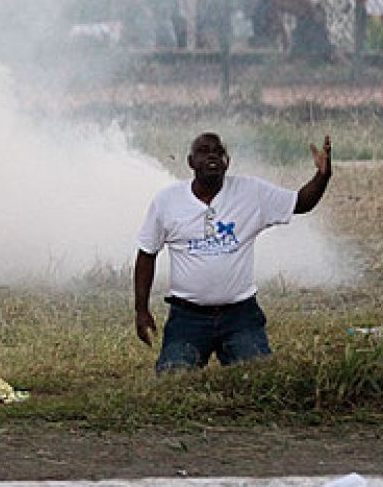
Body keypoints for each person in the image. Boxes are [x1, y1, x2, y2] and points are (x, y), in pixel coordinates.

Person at [133, 132, 331, 372]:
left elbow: (300, 203)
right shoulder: (167, 201)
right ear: (191, 162)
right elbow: (146, 255)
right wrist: (141, 310)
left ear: (227, 162)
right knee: (174, 378)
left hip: (240, 315)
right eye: (204, 151)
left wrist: (322, 175)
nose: (213, 156)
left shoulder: (251, 192)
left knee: (258, 377)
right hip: (187, 318)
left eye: (219, 151)